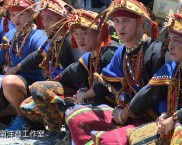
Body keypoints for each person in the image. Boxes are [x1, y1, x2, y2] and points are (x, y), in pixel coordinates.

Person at [65, 0, 168, 144]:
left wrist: (124, 113)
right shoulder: (122, 51)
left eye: (126, 21)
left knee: (107, 140)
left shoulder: (155, 52)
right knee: (75, 116)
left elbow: (156, 93)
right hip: (127, 113)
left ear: (141, 21)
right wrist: (83, 96)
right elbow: (105, 80)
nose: (120, 26)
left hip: (154, 118)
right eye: (117, 21)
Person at [20, 8, 119, 137]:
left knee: (74, 114)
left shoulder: (110, 52)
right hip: (89, 98)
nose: (79, 38)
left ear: (99, 33)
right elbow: (72, 72)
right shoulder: (91, 54)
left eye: (84, 32)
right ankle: (60, 131)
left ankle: (66, 133)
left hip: (117, 107)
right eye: (75, 33)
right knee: (31, 102)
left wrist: (83, 96)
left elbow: (104, 85)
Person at [118, 13, 182, 144]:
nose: (170, 46)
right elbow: (148, 93)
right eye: (170, 39)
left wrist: (176, 121)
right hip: (173, 129)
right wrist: (163, 115)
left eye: (177, 40)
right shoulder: (173, 68)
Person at [0, 0, 48, 131]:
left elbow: (39, 58)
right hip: (17, 81)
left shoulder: (39, 35)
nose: (15, 19)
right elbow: (2, 59)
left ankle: (23, 120)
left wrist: (14, 70)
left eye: (20, 14)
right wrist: (5, 68)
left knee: (9, 82)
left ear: (32, 14)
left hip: (35, 84)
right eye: (12, 15)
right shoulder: (10, 35)